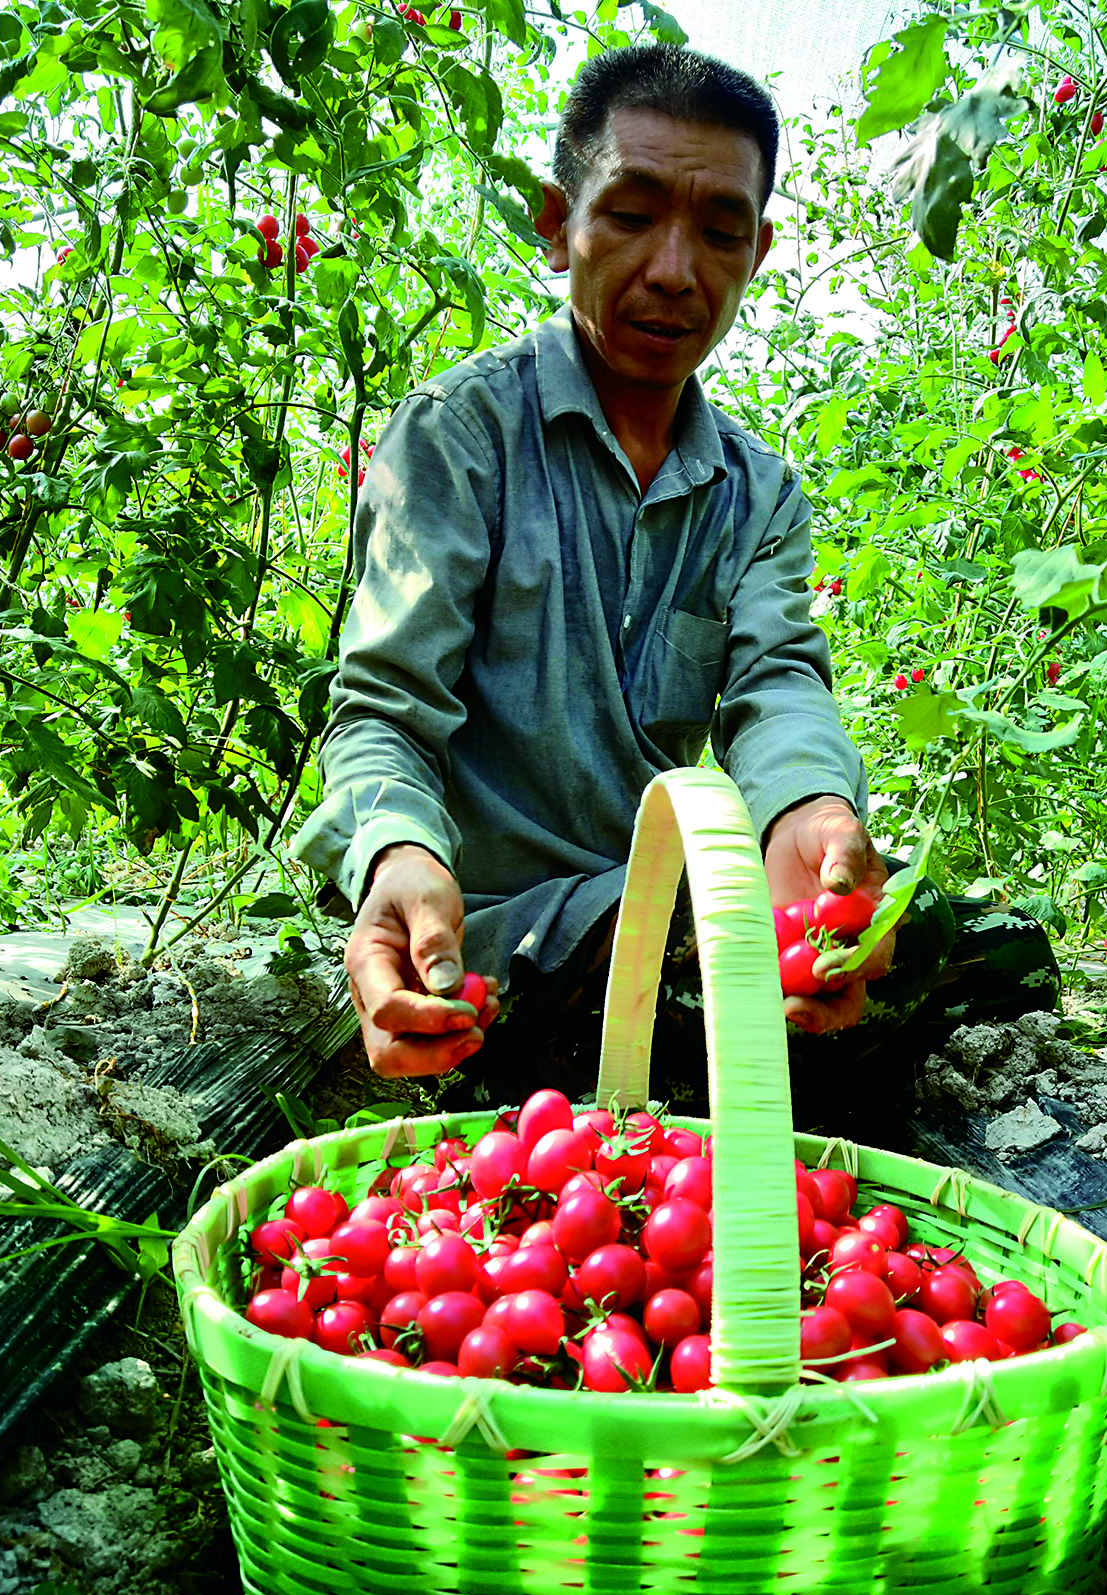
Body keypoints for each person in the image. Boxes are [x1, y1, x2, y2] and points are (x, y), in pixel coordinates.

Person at [291, 43, 1056, 1111]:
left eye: (718, 230)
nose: (672, 269)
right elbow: (380, 708)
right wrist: (399, 860)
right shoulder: (462, 439)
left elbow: (777, 683)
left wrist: (810, 816)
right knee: (745, 1000)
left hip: (669, 904)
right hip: (498, 938)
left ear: (758, 249)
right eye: (631, 214)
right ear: (558, 225)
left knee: (946, 932)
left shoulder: (755, 492)